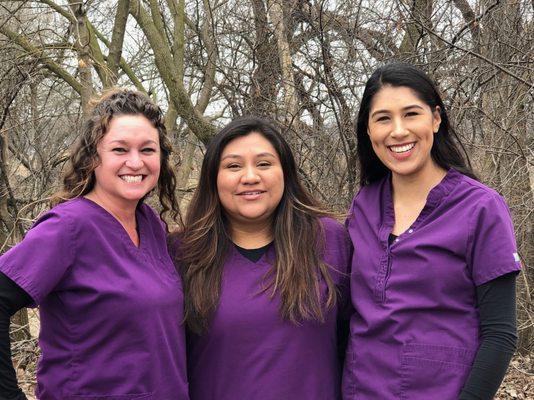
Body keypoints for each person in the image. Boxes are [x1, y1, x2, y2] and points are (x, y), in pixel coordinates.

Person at [342, 63, 521, 400]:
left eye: (411, 114)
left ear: (436, 119)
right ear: (368, 130)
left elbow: (500, 334)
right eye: (382, 118)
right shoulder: (363, 207)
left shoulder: (480, 208)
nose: (398, 131)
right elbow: (347, 317)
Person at [0, 89, 189, 399]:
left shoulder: (152, 226)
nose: (135, 161)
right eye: (119, 149)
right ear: (92, 156)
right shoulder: (68, 228)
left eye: (147, 150)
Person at [169, 117, 352, 400]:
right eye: (233, 166)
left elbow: (359, 345)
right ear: (212, 178)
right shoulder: (182, 252)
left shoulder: (328, 240)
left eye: (264, 164)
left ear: (286, 173)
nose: (250, 177)